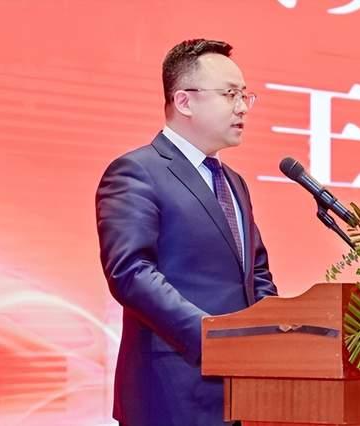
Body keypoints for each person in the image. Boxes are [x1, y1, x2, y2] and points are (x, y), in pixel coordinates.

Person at [95, 39, 278, 426]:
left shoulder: (234, 182)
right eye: (230, 94)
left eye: (245, 95)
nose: (242, 107)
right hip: (171, 390)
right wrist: (210, 337)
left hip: (244, 392)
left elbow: (256, 273)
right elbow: (131, 273)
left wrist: (272, 338)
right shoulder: (137, 172)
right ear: (184, 101)